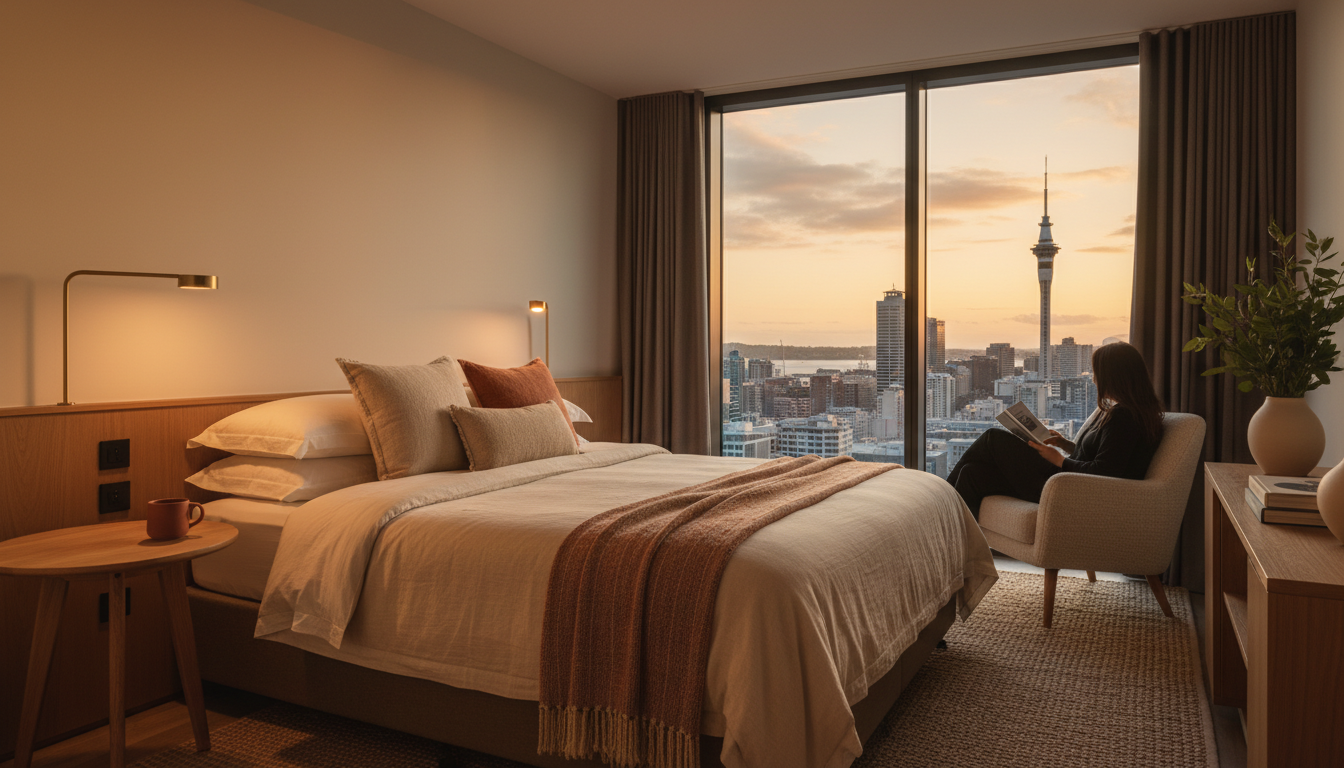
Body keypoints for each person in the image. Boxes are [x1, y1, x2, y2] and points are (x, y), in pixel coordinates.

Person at [946, 341, 1165, 518]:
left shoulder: (1124, 417)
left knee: (993, 438)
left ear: (1113, 376)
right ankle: (959, 549)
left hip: (1068, 491)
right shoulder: (1130, 413)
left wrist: (1058, 459)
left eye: (1097, 372)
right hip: (1069, 483)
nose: (1095, 379)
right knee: (971, 474)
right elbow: (1105, 456)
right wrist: (1064, 444)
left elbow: (1105, 472)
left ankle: (939, 501)